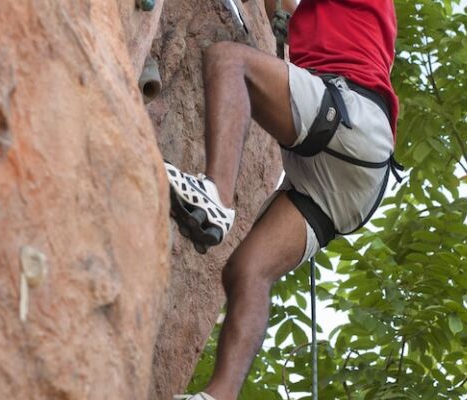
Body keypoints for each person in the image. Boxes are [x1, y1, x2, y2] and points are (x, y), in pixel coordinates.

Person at [165, 0, 400, 399]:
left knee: (229, 62)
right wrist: (285, 18)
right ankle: (220, 395)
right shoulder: (336, 17)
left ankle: (215, 196)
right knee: (247, 271)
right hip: (353, 177)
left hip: (349, 116)